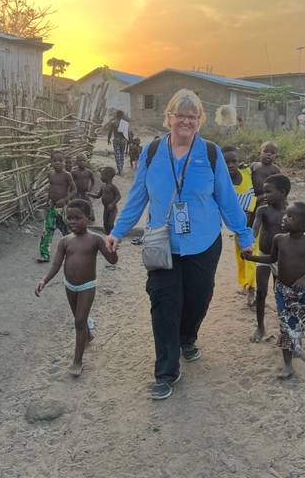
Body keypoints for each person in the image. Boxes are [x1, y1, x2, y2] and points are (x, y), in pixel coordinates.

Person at [105, 89, 254, 400]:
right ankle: (165, 372)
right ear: (168, 118)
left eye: (192, 116)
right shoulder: (151, 151)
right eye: (179, 115)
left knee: (198, 298)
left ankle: (188, 337)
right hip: (162, 243)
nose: (185, 121)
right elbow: (137, 196)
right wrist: (118, 231)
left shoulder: (210, 154)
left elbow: (226, 199)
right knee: (164, 304)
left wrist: (244, 235)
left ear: (199, 121)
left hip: (203, 242)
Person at [35, 199, 118, 376]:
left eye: (77, 218)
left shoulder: (95, 240)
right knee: (79, 318)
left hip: (87, 286)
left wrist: (113, 249)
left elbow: (112, 260)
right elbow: (56, 265)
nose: (72, 221)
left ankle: (77, 361)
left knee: (79, 321)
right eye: (69, 218)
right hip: (69, 285)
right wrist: (44, 280)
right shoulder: (65, 241)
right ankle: (87, 335)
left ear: (88, 218)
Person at [242, 202, 305, 378]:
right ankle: (288, 365)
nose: (284, 218)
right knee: (286, 326)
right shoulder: (279, 239)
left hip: (302, 293)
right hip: (282, 290)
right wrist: (251, 257)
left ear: (304, 225)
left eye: (291, 217)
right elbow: (271, 258)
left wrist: (303, 279)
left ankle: (296, 342)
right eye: (286, 214)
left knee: (298, 323)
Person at [249, 174, 291, 342]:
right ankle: (260, 327)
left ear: (282, 192)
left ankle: (284, 329)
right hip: (263, 257)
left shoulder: (291, 212)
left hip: (282, 259)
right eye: (263, 192)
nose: (264, 195)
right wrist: (248, 244)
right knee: (261, 292)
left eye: (268, 192)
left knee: (281, 294)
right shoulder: (263, 210)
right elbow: (254, 230)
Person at [223, 147, 259, 307]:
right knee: (241, 258)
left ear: (239, 161)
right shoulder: (222, 181)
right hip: (238, 227)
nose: (230, 165)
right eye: (226, 162)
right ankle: (246, 284)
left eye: (234, 161)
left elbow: (262, 168)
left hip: (254, 224)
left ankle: (252, 289)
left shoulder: (248, 173)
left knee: (251, 256)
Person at [37, 151, 76, 263]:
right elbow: (51, 188)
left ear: (64, 162)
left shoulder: (67, 175)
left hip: (63, 208)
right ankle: (45, 255)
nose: (57, 163)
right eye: (55, 160)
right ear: (51, 162)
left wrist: (64, 200)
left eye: (60, 160)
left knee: (67, 230)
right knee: (47, 230)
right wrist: (47, 200)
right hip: (52, 207)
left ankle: (73, 253)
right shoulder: (50, 174)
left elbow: (74, 190)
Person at [89, 167, 121, 235]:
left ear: (107, 177)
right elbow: (98, 196)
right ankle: (107, 236)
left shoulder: (112, 187)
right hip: (106, 208)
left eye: (102, 176)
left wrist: (112, 204)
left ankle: (114, 236)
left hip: (112, 209)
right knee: (105, 224)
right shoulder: (103, 186)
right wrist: (89, 194)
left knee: (110, 224)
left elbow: (118, 196)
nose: (101, 178)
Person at [71, 153, 96, 222]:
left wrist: (90, 190)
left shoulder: (89, 172)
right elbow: (70, 182)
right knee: (76, 205)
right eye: (80, 161)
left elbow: (93, 181)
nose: (82, 162)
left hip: (85, 193)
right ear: (77, 162)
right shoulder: (74, 172)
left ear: (86, 161)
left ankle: (90, 217)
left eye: (84, 161)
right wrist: (72, 191)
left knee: (88, 205)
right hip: (77, 193)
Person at [107, 110, 130, 175]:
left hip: (116, 140)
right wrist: (129, 141)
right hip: (123, 140)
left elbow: (110, 132)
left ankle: (119, 168)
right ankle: (121, 168)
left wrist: (108, 139)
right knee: (122, 154)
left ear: (116, 115)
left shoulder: (113, 123)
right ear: (122, 115)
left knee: (117, 154)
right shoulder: (125, 123)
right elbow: (127, 133)